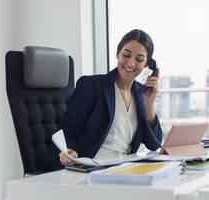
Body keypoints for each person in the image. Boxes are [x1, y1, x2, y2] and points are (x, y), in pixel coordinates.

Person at [59, 29, 162, 166]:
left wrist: (149, 104)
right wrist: (69, 151)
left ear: (147, 64)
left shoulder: (141, 94)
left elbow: (154, 144)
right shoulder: (92, 85)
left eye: (139, 59)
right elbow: (68, 127)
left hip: (124, 168)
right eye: (126, 55)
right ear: (117, 53)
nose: (131, 63)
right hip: (92, 167)